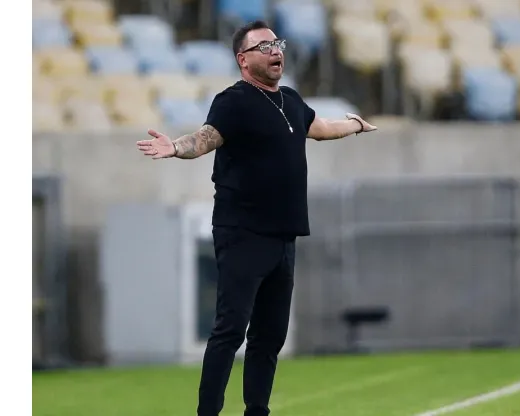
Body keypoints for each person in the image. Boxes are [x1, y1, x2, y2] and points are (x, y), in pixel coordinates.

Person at [135, 20, 377, 416]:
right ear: (243, 60)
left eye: (278, 43)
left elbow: (321, 128)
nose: (275, 50)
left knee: (269, 337)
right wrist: (175, 147)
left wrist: (354, 124)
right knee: (230, 331)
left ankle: (257, 412)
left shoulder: (292, 101)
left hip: (284, 237)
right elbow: (204, 138)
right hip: (243, 233)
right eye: (264, 46)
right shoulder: (234, 101)